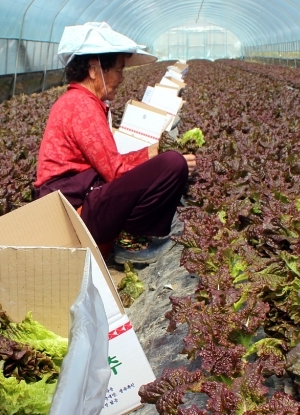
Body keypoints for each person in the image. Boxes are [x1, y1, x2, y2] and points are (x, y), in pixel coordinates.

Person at [34, 23, 196, 263]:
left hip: (75, 203)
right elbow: (115, 171)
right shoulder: (81, 105)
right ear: (94, 69)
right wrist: (159, 159)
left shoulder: (80, 101)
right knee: (172, 163)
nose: (121, 78)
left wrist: (151, 153)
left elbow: (109, 165)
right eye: (118, 70)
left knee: (166, 162)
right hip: (72, 213)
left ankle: (131, 238)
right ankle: (132, 245)